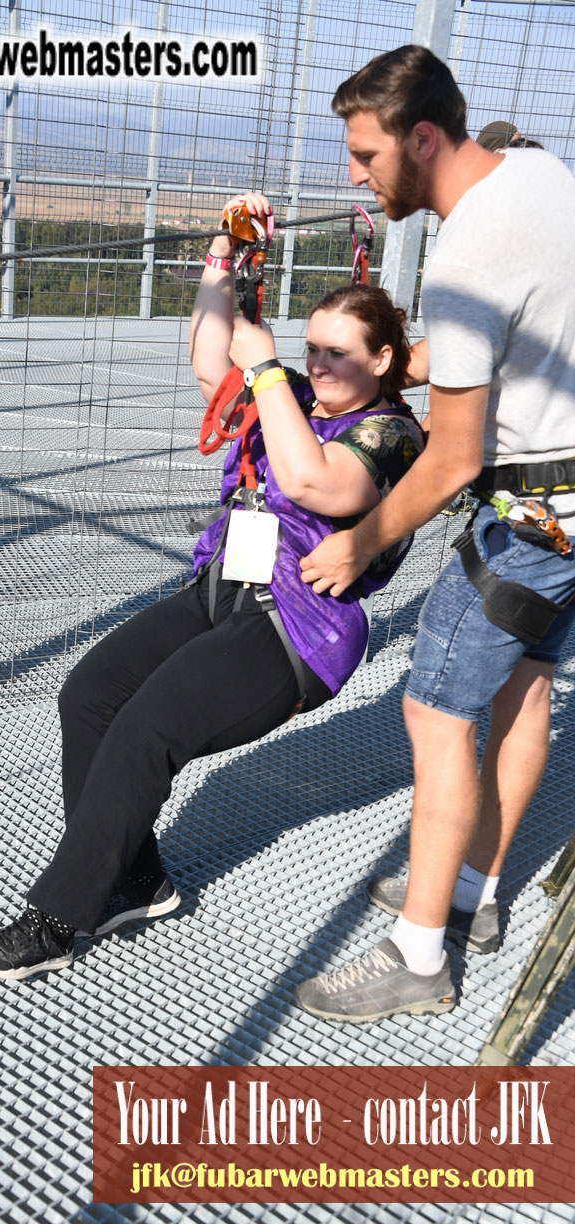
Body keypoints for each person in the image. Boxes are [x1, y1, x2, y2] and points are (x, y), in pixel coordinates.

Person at [0, 193, 424, 981]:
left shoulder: (391, 432)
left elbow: (321, 486)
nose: (318, 365)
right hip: (223, 587)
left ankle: (63, 915)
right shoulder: (298, 393)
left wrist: (271, 369)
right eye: (311, 349)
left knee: (146, 729)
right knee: (91, 693)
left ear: (383, 361)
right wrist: (224, 252)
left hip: (296, 627)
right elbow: (215, 359)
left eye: (338, 354)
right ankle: (138, 879)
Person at [295, 45, 575, 1024]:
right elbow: (529, 318)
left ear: (421, 138)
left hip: (531, 513)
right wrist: (414, 360)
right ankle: (471, 895)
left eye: (367, 154)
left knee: (438, 713)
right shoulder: (541, 174)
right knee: (525, 682)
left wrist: (359, 544)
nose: (357, 175)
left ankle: (418, 956)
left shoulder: (463, 257)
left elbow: (453, 461)